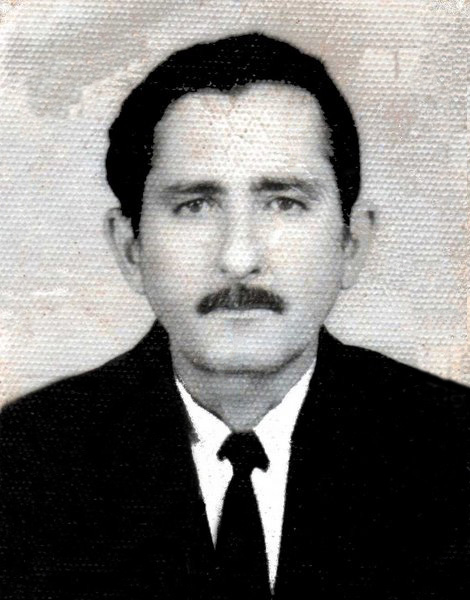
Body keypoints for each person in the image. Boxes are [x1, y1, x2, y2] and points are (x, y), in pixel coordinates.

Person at [1, 32, 469, 600]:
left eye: (284, 202)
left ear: (352, 243)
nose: (239, 258)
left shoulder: (456, 454)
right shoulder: (22, 466)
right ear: (131, 249)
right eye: (194, 205)